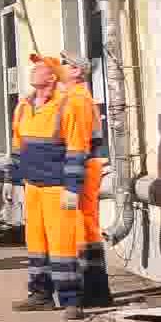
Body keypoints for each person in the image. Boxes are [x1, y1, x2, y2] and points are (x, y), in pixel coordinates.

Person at [8, 53, 95, 320]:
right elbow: (17, 147)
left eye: (40, 68)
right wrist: (13, 183)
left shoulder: (67, 106)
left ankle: (72, 300)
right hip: (32, 186)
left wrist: (72, 187)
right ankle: (40, 294)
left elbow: (76, 149)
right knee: (35, 243)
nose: (34, 70)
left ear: (53, 76)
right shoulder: (23, 106)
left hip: (57, 187)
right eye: (33, 66)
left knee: (62, 244)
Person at [57, 56, 115, 307]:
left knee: (81, 226)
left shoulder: (78, 100)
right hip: (84, 167)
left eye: (65, 63)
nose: (60, 66)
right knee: (86, 226)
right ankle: (96, 289)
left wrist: (71, 182)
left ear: (77, 71)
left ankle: (90, 289)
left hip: (81, 169)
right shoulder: (74, 97)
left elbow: (77, 144)